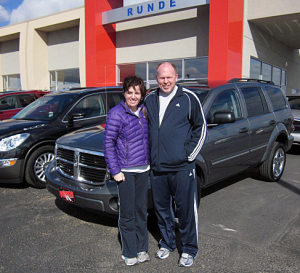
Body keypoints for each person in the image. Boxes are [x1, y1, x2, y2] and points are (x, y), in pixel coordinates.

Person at [144, 62, 207, 267]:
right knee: (162, 209)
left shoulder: (188, 98)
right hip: (158, 168)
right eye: (162, 77)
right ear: (156, 78)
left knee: (186, 210)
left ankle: (189, 249)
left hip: (182, 167)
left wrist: (188, 154)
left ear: (176, 77)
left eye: (169, 77)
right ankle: (167, 243)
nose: (166, 81)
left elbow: (201, 127)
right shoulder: (150, 98)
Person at [103, 75, 150, 266]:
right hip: (125, 172)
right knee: (128, 213)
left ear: (142, 94)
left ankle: (142, 248)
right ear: (124, 93)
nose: (133, 96)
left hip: (143, 169)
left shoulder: (145, 112)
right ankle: (129, 251)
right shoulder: (116, 113)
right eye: (130, 92)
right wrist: (115, 170)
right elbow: (108, 144)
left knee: (141, 211)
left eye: (137, 92)